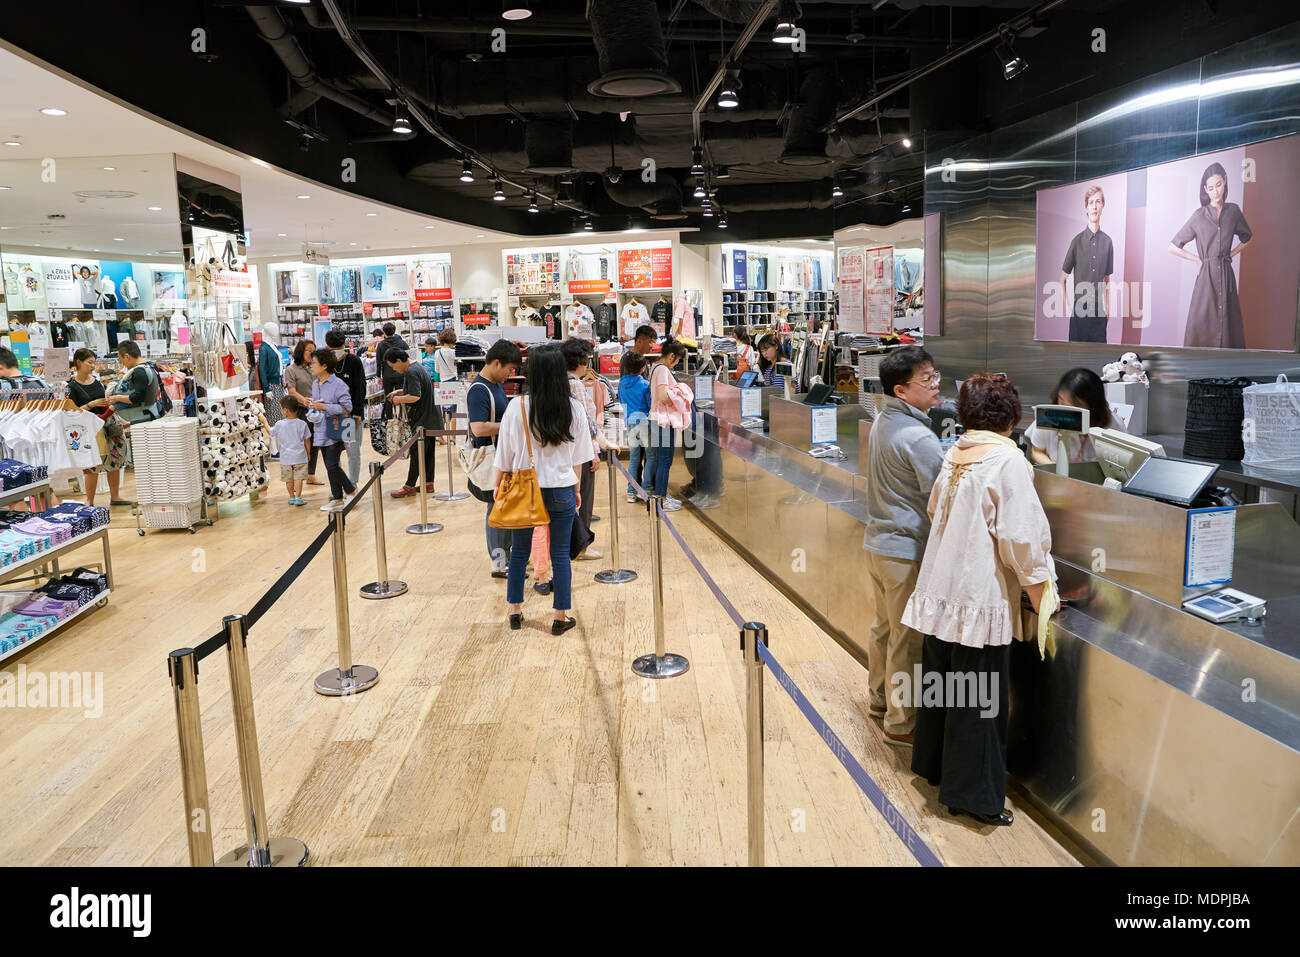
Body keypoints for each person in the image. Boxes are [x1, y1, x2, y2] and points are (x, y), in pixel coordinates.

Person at [902, 373, 1059, 827]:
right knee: (979, 703)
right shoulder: (1006, 461)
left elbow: (936, 510)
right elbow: (1021, 538)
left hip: (939, 591)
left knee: (943, 691)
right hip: (977, 598)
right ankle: (972, 797)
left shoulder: (957, 451)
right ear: (1011, 415)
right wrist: (1041, 593)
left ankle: (935, 770)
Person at [862, 346, 944, 746]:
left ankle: (879, 700)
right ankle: (901, 722)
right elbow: (940, 501)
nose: (936, 384)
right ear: (901, 390)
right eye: (926, 379)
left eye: (934, 374)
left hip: (877, 545)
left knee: (883, 629)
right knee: (907, 639)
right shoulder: (918, 436)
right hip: (904, 550)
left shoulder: (883, 420)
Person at [493, 344, 594, 635]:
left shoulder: (517, 406)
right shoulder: (573, 407)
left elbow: (505, 455)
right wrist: (575, 490)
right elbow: (578, 458)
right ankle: (560, 617)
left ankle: (515, 609)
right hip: (561, 488)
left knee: (519, 552)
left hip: (525, 489)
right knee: (560, 554)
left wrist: (498, 485)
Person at [1168, 161, 1253, 349]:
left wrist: (1231, 253)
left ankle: (1228, 373)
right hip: (1206, 278)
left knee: (1229, 325)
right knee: (1203, 325)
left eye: (1219, 185)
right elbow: (1172, 246)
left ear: (1225, 181)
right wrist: (1197, 259)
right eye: (1211, 188)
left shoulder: (1233, 211)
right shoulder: (1199, 215)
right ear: (1205, 189)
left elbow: (1247, 237)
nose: (1215, 191)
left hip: (1226, 274)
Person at [467, 340, 521, 579]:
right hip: (491, 456)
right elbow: (478, 428)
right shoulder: (479, 389)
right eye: (508, 369)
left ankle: (506, 558)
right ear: (496, 362)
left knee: (502, 508)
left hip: (502, 455)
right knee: (496, 509)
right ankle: (499, 562)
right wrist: (510, 425)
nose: (510, 374)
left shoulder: (495, 384)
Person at [562, 339, 606, 561]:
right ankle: (581, 547)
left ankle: (570, 545)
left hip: (565, 451)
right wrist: (596, 450)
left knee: (570, 498)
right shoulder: (576, 384)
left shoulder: (559, 382)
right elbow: (586, 423)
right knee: (584, 499)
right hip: (583, 451)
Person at [66, 348, 129, 506]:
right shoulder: (71, 386)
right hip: (88, 426)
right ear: (78, 362)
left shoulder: (96, 381)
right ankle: (89, 500)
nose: (93, 366)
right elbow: (71, 410)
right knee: (91, 465)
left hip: (107, 423)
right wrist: (91, 404)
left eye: (94, 362)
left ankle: (115, 496)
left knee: (115, 460)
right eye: (90, 362)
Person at [1026, 367, 1122, 466]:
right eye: (1062, 401)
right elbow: (1037, 451)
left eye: (1076, 404)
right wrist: (1057, 473)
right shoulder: (1050, 417)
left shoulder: (1113, 424)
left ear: (1094, 405)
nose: (1067, 409)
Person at [303, 348, 356, 511]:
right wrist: (313, 404)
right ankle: (338, 498)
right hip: (320, 430)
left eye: (314, 363)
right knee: (329, 465)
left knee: (332, 465)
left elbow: (347, 408)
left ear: (324, 365)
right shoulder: (315, 383)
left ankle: (351, 492)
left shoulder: (338, 384)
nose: (311, 365)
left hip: (335, 430)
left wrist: (324, 406)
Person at [385, 349, 443, 498]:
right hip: (431, 417)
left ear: (399, 360)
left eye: (393, 366)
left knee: (417, 453)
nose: (394, 369)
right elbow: (419, 389)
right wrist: (400, 391)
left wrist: (398, 399)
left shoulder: (411, 371)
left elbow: (415, 396)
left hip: (422, 419)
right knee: (428, 453)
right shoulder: (417, 367)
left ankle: (409, 486)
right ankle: (428, 483)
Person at [1061, 185, 1114, 343]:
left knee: (1098, 362)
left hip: (1098, 313)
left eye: (1098, 202)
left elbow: (1107, 281)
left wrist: (1108, 310)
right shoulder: (1076, 242)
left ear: (1103, 206)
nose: (1094, 206)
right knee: (1077, 362)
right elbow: (1062, 279)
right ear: (1086, 208)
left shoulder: (1108, 242)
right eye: (1091, 202)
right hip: (1079, 311)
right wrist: (1068, 308)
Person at [644, 339, 688, 510]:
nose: (676, 364)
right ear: (671, 356)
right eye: (677, 360)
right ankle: (661, 499)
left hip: (657, 420)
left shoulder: (655, 367)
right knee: (664, 461)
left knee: (662, 460)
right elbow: (663, 395)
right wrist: (681, 392)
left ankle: (661, 495)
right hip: (662, 421)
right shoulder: (662, 370)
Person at [325, 330, 366, 487]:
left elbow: (360, 388)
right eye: (332, 349)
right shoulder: (325, 363)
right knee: (333, 454)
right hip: (332, 416)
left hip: (350, 416)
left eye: (338, 347)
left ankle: (352, 483)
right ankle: (339, 485)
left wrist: (358, 413)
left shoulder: (354, 361)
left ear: (344, 345)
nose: (336, 352)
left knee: (352, 451)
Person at [284, 339, 322, 486]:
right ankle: (296, 477)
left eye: (314, 350)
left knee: (314, 443)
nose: (312, 353)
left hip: (316, 410)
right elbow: (291, 390)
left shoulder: (315, 367)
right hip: (300, 411)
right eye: (309, 350)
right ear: (301, 352)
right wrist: (303, 400)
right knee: (300, 444)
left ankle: (311, 474)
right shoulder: (291, 370)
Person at [618, 351, 651, 504]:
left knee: (634, 459)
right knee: (650, 457)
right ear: (643, 368)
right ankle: (645, 490)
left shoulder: (622, 383)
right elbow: (651, 405)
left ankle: (631, 491)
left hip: (630, 423)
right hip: (644, 423)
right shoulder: (646, 385)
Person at [269, 395, 312, 506]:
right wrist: (308, 453)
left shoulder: (279, 424)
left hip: (285, 458)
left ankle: (291, 497)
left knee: (289, 479)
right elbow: (307, 441)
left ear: (285, 411)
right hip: (300, 457)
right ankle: (298, 497)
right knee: (298, 478)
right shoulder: (302, 424)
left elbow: (270, 432)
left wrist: (264, 421)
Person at [106, 341, 161, 422]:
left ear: (127, 356)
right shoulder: (150, 366)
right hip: (151, 413)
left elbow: (137, 397)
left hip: (143, 418)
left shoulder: (139, 371)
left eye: (121, 360)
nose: (123, 364)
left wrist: (116, 398)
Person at [258, 323, 285, 427]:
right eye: (274, 329)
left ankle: (280, 440)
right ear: (268, 331)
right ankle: (274, 440)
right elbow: (262, 369)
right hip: (271, 385)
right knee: (273, 414)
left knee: (280, 413)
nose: (276, 331)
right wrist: (267, 389)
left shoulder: (273, 346)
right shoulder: (263, 347)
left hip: (279, 384)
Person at [374, 321, 408, 394]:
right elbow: (409, 356)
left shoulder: (380, 345)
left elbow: (378, 361)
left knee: (388, 397)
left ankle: (389, 405)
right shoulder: (402, 343)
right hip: (400, 374)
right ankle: (402, 405)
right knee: (401, 396)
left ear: (384, 332)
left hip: (387, 375)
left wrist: (378, 375)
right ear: (394, 331)